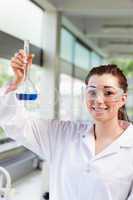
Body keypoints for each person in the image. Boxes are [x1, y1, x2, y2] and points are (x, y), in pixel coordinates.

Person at [0, 49, 133, 200]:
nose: (98, 100)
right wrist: (15, 82)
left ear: (123, 99)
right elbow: (15, 123)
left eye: (108, 93)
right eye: (92, 92)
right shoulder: (62, 135)